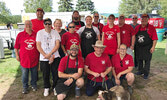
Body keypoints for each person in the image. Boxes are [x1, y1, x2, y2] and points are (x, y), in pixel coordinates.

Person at [36, 18, 61, 96]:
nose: (47, 25)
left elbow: (57, 44)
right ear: (43, 25)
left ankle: (55, 87)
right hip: (44, 58)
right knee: (45, 73)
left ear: (51, 24)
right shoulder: (39, 33)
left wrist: (50, 54)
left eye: (49, 23)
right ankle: (46, 87)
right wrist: (45, 55)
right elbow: (38, 46)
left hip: (55, 56)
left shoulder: (55, 32)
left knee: (55, 73)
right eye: (46, 23)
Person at [14, 20, 39, 94]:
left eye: (29, 24)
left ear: (32, 25)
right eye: (26, 24)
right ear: (24, 25)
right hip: (24, 59)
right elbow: (16, 47)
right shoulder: (20, 34)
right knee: (25, 74)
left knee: (34, 73)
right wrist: (17, 55)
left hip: (34, 58)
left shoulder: (36, 34)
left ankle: (34, 85)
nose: (28, 25)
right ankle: (25, 87)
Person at [135, 14, 158, 79]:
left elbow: (155, 38)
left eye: (146, 18)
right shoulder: (137, 27)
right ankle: (140, 71)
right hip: (139, 47)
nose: (144, 20)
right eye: (143, 18)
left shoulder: (151, 28)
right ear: (141, 19)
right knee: (139, 59)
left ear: (148, 20)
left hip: (147, 47)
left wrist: (153, 47)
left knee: (147, 60)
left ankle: (146, 73)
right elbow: (134, 36)